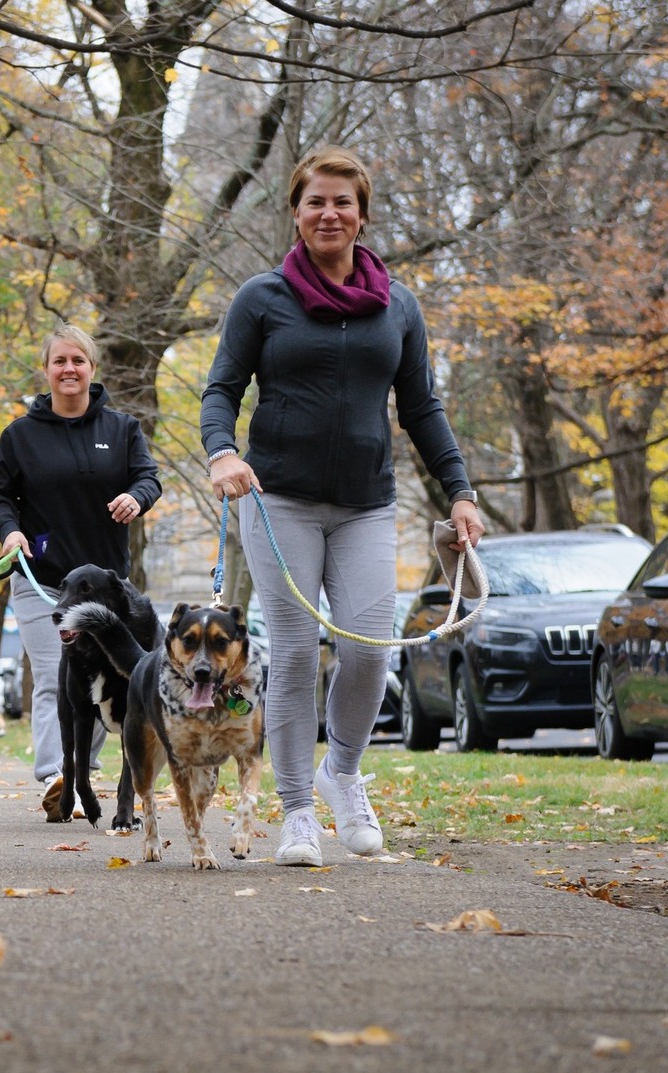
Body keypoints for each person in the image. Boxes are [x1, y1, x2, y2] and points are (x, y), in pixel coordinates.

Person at [200, 146, 485, 867]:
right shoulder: (262, 298)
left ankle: (343, 773)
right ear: (296, 213)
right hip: (278, 501)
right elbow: (221, 388)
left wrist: (459, 491)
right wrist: (222, 452)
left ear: (362, 214)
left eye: (342, 202)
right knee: (296, 653)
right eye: (315, 202)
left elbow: (422, 407)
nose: (329, 214)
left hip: (365, 505)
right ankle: (298, 811)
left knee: (366, 650)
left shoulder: (398, 305)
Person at [0, 325, 162, 809]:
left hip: (106, 589)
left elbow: (148, 477)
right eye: (59, 361)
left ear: (92, 368)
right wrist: (10, 532)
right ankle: (55, 776)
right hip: (43, 581)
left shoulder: (122, 429)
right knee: (54, 677)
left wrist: (136, 497)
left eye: (78, 360)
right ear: (46, 369)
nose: (69, 369)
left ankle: (82, 768)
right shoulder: (20, 435)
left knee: (106, 678)